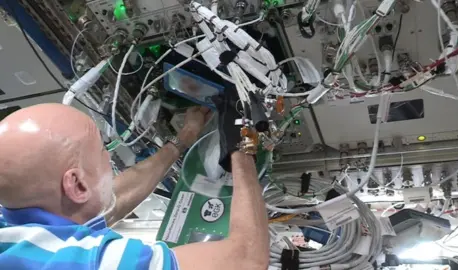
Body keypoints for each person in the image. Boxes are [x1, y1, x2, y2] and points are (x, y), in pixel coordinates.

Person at [0, 102, 269, 269]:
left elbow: (113, 199)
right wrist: (240, 147)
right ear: (77, 185)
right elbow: (246, 258)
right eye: (102, 152)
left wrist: (183, 139)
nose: (109, 158)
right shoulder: (92, 263)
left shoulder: (13, 224)